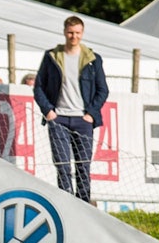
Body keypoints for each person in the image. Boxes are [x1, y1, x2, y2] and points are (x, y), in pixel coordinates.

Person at [33, 15, 109, 205]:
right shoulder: (52, 57)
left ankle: (83, 204)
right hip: (58, 119)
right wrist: (49, 111)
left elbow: (103, 90)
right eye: (70, 32)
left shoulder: (93, 59)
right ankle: (65, 203)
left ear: (82, 33)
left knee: (83, 165)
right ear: (64, 32)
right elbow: (39, 87)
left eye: (77, 33)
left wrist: (90, 114)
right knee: (62, 165)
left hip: (83, 120)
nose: (73, 36)